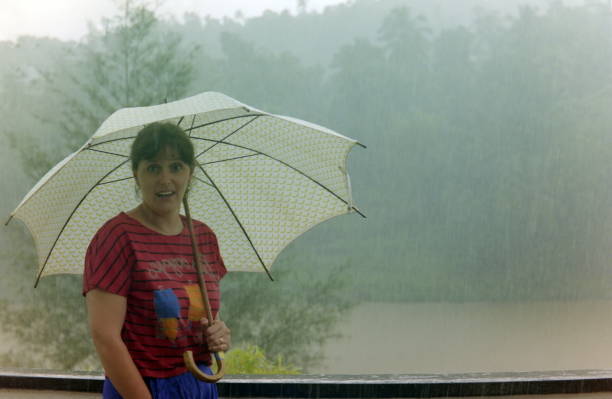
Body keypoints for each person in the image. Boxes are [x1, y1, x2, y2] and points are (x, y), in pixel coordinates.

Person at [83, 122, 231, 399]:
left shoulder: (204, 238)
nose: (165, 179)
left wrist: (218, 334)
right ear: (137, 175)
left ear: (190, 172)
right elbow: (105, 338)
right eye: (153, 167)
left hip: (199, 384)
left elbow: (204, 317)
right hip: (141, 388)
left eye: (176, 167)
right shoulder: (116, 237)